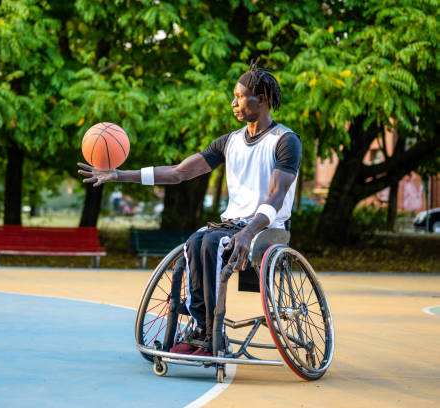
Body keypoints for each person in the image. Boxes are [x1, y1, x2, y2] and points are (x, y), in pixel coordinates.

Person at [77, 60, 301, 356]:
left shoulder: (285, 141)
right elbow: (179, 172)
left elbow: (275, 196)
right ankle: (200, 327)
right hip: (233, 223)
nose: (233, 102)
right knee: (195, 241)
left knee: (211, 243)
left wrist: (247, 233)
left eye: (239, 96)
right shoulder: (229, 142)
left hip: (266, 228)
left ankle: (214, 336)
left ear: (261, 99)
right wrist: (120, 175)